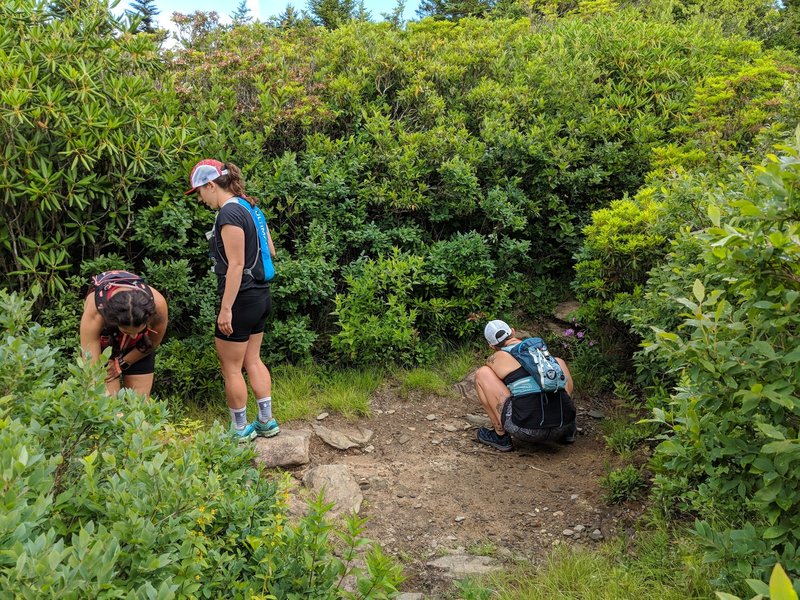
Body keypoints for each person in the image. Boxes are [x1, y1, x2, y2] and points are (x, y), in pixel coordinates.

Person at [187, 158, 280, 442]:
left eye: (200, 192)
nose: (201, 199)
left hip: (240, 299)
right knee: (253, 359)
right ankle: (266, 422)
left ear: (211, 185)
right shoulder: (251, 207)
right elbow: (271, 252)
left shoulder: (228, 214)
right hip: (261, 296)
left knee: (230, 366)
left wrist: (225, 308)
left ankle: (239, 430)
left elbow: (236, 265)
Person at [474, 319, 577, 452]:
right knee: (559, 362)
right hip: (563, 425)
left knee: (482, 374)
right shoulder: (539, 351)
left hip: (526, 430)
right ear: (513, 331)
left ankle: (500, 436)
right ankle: (569, 431)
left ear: (491, 346)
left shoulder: (498, 357)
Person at [80, 270, 169, 398]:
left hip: (141, 344)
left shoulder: (158, 305)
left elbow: (153, 342)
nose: (132, 335)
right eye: (127, 331)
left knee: (139, 404)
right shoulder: (95, 311)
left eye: (138, 330)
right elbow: (90, 367)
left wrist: (122, 362)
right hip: (105, 344)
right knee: (108, 402)